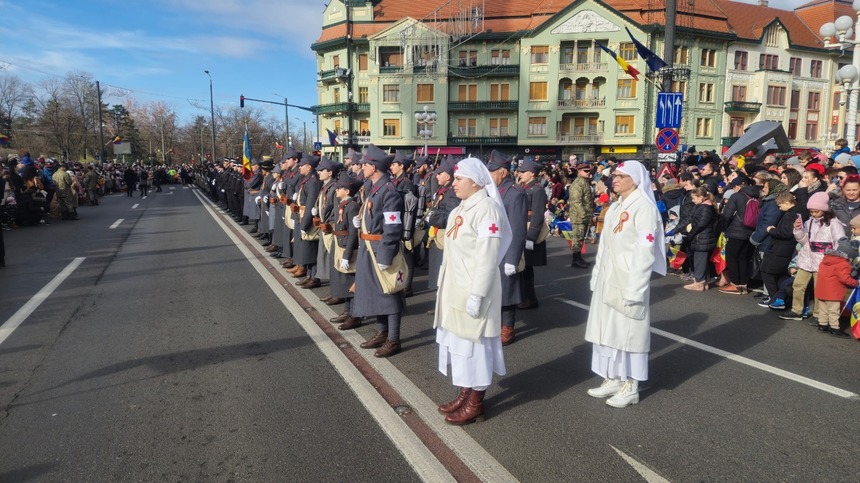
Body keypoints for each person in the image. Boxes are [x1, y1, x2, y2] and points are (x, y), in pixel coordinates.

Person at [434, 157, 511, 425]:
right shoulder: (460, 210)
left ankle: (476, 402)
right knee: (459, 345)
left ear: (476, 182)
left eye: (458, 179)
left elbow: (488, 257)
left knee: (475, 348)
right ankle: (464, 392)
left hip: (474, 291)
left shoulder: (487, 209)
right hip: (455, 289)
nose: (453, 183)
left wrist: (478, 294)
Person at [584, 160, 666, 409]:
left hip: (629, 279)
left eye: (620, 176)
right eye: (614, 176)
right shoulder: (616, 206)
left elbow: (645, 250)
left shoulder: (644, 208)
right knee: (609, 330)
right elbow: (605, 246)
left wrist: (636, 287)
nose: (614, 180)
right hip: (609, 278)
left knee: (630, 334)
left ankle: (631, 385)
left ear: (636, 179)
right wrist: (597, 274)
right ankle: (614, 377)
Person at [351, 144, 406, 357]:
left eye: (365, 164)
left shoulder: (389, 191)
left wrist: (386, 255)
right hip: (369, 247)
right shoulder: (375, 187)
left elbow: (393, 227)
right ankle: (383, 332)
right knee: (376, 293)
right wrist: (361, 221)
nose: (362, 167)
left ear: (374, 167)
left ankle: (394, 339)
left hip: (380, 249)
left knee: (388, 294)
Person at [780, 192, 846, 321]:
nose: (813, 214)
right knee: (798, 285)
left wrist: (831, 255)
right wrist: (798, 230)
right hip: (807, 259)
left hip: (824, 261)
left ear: (824, 210)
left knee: (819, 289)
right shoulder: (810, 222)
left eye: (816, 211)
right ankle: (796, 310)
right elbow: (804, 241)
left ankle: (818, 314)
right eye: (811, 211)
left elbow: (840, 242)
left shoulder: (834, 223)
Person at [486, 150, 527, 345]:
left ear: (503, 172)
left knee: (508, 290)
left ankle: (508, 327)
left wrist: (512, 259)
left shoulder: (515, 193)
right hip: (492, 249)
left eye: (493, 171)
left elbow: (518, 229)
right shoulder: (491, 191)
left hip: (506, 249)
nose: (489, 174)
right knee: (493, 288)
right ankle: (495, 323)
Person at [759, 192, 803, 309]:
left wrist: (771, 230)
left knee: (767, 272)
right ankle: (782, 298)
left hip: (780, 249)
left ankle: (775, 298)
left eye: (780, 205)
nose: (779, 208)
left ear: (787, 203)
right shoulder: (799, 212)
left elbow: (786, 233)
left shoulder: (789, 215)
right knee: (781, 275)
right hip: (787, 249)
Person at [517, 158, 549, 309]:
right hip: (522, 228)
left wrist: (531, 237)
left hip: (529, 231)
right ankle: (524, 296)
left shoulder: (537, 190)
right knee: (522, 265)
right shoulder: (523, 187)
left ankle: (530, 298)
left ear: (532, 173)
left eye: (524, 172)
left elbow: (537, 216)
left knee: (527, 266)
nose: (520, 173)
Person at [814, 237, 859, 337]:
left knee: (823, 309)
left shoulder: (825, 260)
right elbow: (845, 279)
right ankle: (834, 328)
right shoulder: (844, 264)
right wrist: (856, 283)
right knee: (834, 311)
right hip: (833, 292)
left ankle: (822, 324)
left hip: (821, 290)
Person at [681, 187, 717, 290]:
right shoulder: (706, 206)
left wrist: (691, 234)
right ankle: (704, 282)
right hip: (703, 236)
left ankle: (699, 282)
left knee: (699, 260)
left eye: (694, 198)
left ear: (701, 197)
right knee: (702, 260)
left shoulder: (705, 208)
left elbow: (701, 224)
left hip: (702, 237)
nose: (692, 200)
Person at [567, 163, 595, 268]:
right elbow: (576, 202)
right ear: (579, 171)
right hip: (579, 216)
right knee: (577, 238)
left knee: (581, 238)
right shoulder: (577, 184)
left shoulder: (584, 183)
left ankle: (579, 258)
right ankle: (575, 259)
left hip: (585, 215)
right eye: (585, 171)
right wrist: (584, 215)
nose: (588, 173)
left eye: (589, 171)